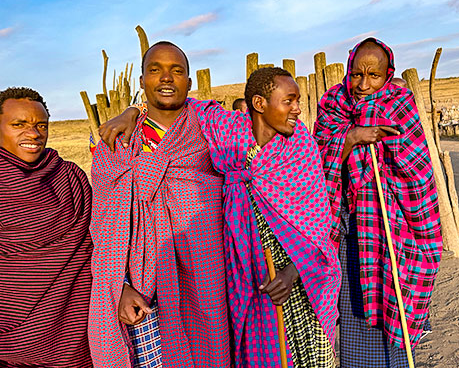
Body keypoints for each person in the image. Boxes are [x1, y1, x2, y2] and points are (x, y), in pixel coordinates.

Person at [100, 66, 341, 368]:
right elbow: (175, 101)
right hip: (247, 274)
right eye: (289, 100)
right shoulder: (225, 130)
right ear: (259, 104)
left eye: (298, 101)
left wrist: (294, 271)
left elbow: (319, 223)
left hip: (301, 278)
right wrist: (133, 112)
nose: (297, 109)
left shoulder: (300, 146)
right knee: (260, 353)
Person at [89, 41, 230, 367]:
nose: (166, 78)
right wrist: (119, 287)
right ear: (141, 81)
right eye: (155, 70)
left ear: (189, 83)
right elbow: (105, 226)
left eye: (176, 70)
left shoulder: (208, 127)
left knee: (211, 353)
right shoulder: (118, 142)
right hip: (142, 285)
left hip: (208, 277)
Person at [313, 38, 442, 368]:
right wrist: (353, 137)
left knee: (392, 305)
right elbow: (316, 162)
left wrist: (388, 147)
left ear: (389, 75)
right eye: (357, 74)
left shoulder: (400, 104)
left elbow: (418, 170)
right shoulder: (332, 104)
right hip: (347, 228)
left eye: (373, 76)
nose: (363, 85)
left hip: (392, 228)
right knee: (354, 311)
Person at [0, 87, 94, 367]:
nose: (33, 133)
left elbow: (99, 243)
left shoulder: (69, 177)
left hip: (71, 336)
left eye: (41, 125)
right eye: (19, 124)